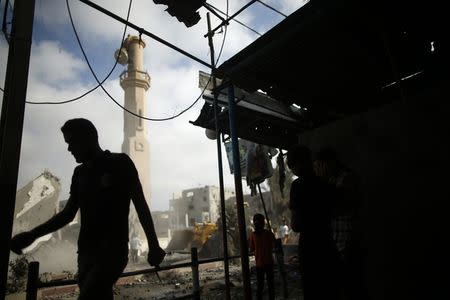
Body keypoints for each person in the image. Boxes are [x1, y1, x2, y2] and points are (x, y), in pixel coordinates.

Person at [10, 118, 166, 299]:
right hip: (85, 253)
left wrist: (153, 245)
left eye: (71, 142)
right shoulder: (79, 174)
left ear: (88, 139)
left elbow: (141, 206)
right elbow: (68, 214)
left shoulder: (120, 163)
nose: (69, 149)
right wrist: (32, 235)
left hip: (112, 252)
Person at [287, 145, 340, 300]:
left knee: (312, 291)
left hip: (309, 248)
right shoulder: (327, 185)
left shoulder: (297, 186)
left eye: (292, 166)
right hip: (328, 245)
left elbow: (295, 226)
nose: (292, 171)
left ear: (298, 163)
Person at [249, 213, 275, 300]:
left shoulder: (253, 235)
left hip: (259, 263)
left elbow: (251, 249)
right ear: (263, 223)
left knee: (260, 285)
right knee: (271, 284)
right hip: (269, 262)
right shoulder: (269, 233)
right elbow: (274, 245)